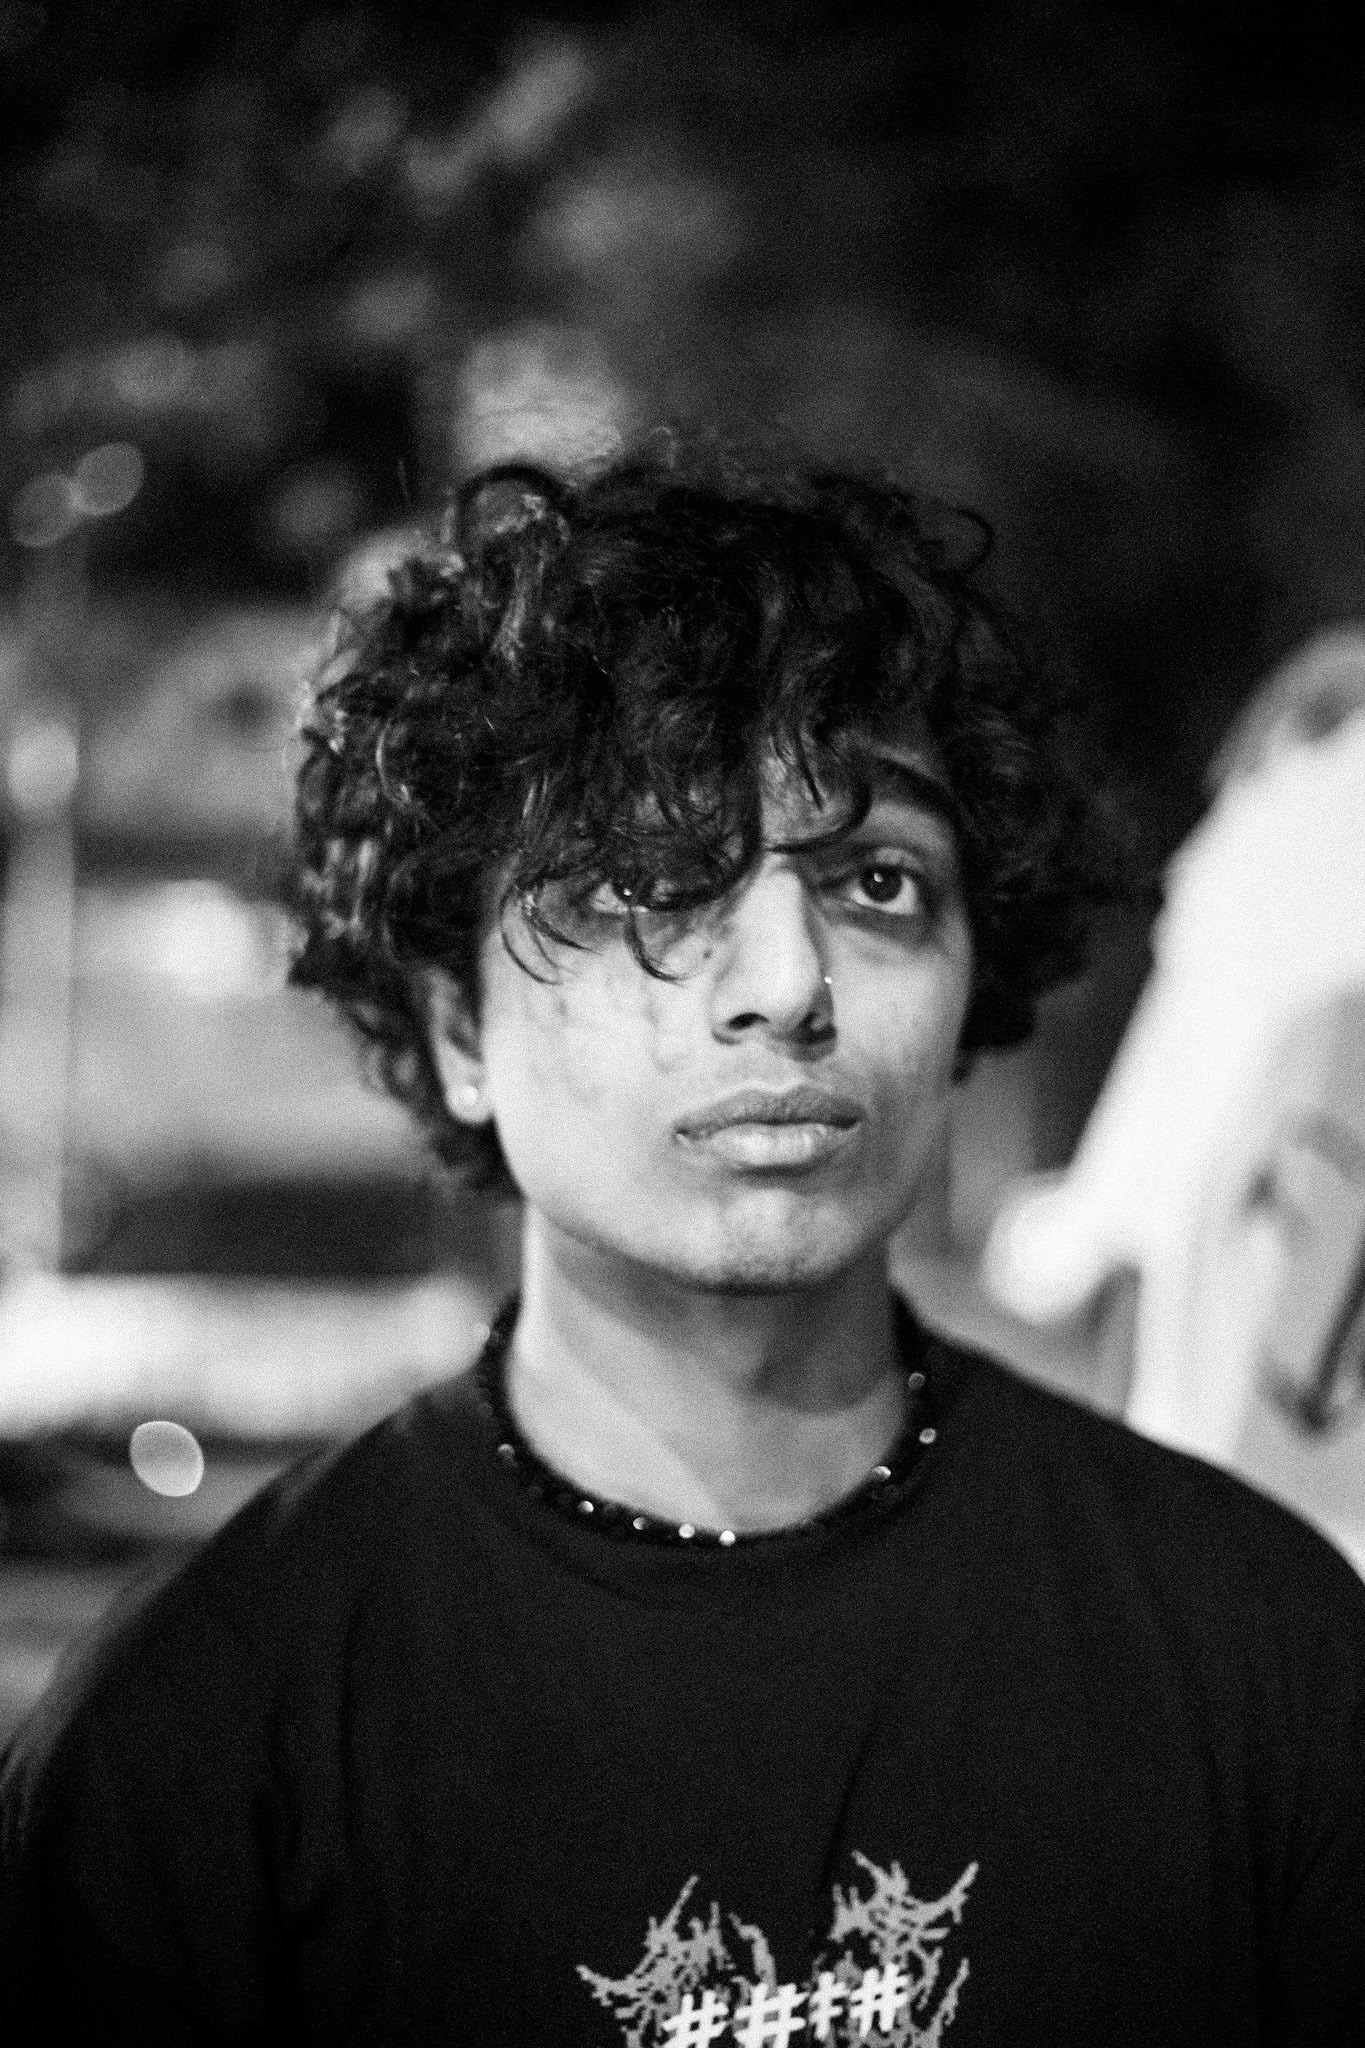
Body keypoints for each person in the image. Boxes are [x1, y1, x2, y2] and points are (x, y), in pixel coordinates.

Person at [2, 441, 1363, 2046]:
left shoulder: (1259, 1648)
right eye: (649, 883)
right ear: (455, 1028)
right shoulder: (205, 1738)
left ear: (969, 982)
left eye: (876, 880)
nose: (784, 983)